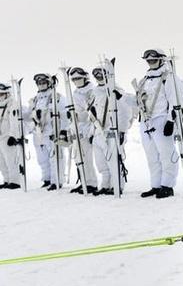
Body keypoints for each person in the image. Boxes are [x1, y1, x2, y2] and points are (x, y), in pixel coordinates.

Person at [133, 48, 183, 199]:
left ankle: (167, 185)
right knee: (152, 156)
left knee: (166, 154)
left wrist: (170, 121)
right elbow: (138, 100)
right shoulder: (145, 79)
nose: (150, 61)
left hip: (162, 119)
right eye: (148, 60)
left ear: (161, 60)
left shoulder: (168, 77)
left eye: (153, 59)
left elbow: (175, 100)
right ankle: (156, 185)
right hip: (146, 121)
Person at [89, 66, 134, 195]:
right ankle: (105, 185)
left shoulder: (116, 90)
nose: (98, 76)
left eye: (101, 73)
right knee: (101, 162)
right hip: (99, 132)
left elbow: (125, 112)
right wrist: (92, 132)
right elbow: (94, 114)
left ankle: (117, 186)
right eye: (96, 74)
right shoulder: (95, 92)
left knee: (113, 160)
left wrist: (122, 130)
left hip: (113, 130)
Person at [28, 73, 68, 190]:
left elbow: (65, 115)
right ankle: (47, 179)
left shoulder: (57, 97)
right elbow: (30, 116)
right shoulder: (35, 99)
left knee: (55, 157)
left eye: (43, 82)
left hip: (52, 132)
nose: (41, 84)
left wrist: (63, 130)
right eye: (39, 83)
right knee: (42, 159)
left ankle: (57, 181)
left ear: (50, 83)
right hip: (39, 133)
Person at [66, 67, 98, 195]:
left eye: (78, 78)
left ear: (85, 77)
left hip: (88, 127)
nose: (76, 81)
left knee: (87, 157)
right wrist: (70, 116)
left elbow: (91, 111)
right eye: (74, 79)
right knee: (78, 157)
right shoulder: (75, 92)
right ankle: (84, 181)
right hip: (76, 127)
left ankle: (91, 183)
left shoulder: (91, 91)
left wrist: (79, 116)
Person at [0, 83, 22, 189]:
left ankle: (15, 181)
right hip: (0, 136)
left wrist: (13, 136)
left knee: (10, 159)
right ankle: (7, 180)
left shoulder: (12, 104)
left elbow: (14, 121)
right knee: (1, 161)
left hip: (7, 137)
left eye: (1, 94)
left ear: (7, 94)